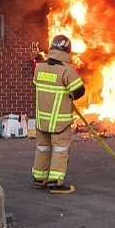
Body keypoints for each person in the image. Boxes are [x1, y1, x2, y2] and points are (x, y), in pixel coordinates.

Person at [31, 35, 85, 194]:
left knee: (42, 148)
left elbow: (37, 86)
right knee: (60, 150)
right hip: (60, 123)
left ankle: (39, 178)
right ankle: (55, 182)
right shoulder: (66, 70)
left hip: (42, 121)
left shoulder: (39, 68)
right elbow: (79, 91)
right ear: (67, 50)